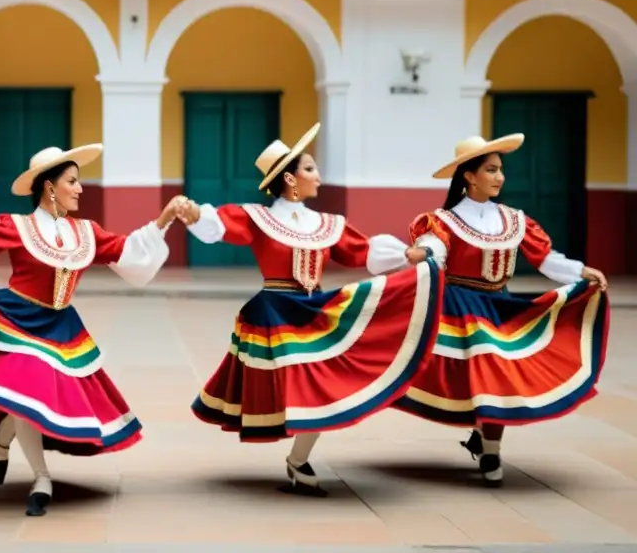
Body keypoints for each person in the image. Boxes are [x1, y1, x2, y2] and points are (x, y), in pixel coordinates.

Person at [0, 143, 186, 517]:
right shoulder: (16, 227)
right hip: (16, 321)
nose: (81, 189)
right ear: (50, 187)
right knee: (26, 390)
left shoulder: (86, 233)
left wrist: (165, 217)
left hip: (61, 327)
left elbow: (129, 251)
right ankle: (42, 478)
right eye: (73, 181)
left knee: (30, 399)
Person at [176, 123, 442, 497]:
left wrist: (407, 255)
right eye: (311, 169)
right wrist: (194, 213)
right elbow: (220, 224)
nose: (319, 176)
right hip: (275, 315)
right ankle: (299, 462)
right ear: (290, 178)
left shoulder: (327, 224)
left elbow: (360, 250)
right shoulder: (258, 218)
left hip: (315, 309)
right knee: (304, 386)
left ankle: (298, 458)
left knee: (322, 387)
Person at [392, 133, 610, 487]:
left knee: (502, 377)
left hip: (501, 305)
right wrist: (425, 252)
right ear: (469, 175)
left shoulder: (513, 219)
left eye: (500, 170)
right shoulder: (444, 221)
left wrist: (580, 271)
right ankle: (490, 447)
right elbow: (436, 247)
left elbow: (544, 258)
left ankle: (487, 443)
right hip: (460, 308)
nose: (499, 177)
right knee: (486, 373)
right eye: (491, 170)